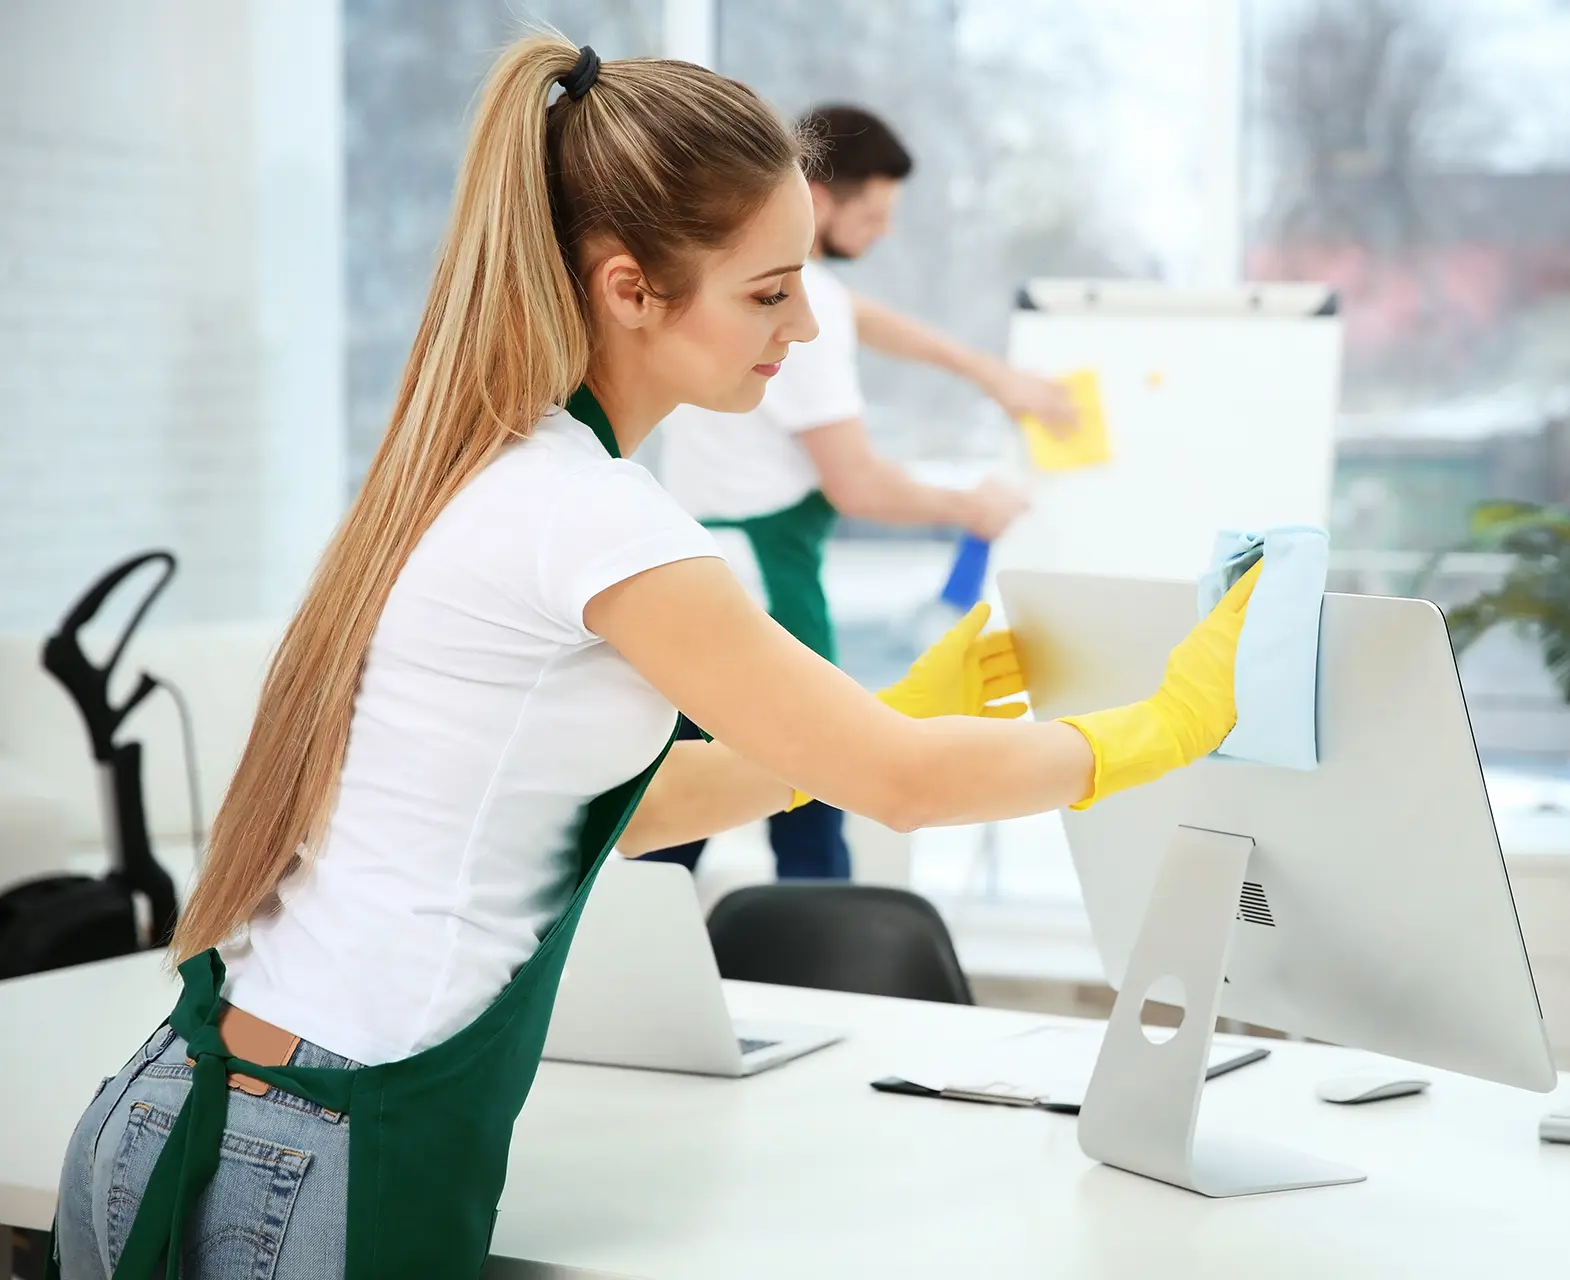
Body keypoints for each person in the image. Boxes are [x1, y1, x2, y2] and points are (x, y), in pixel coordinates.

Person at [49, 39, 1259, 1280]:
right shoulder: (597, 520)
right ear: (631, 289)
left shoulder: (472, 469)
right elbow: (911, 786)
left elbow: (630, 805)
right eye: (769, 291)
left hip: (186, 1100)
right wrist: (1166, 723)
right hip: (319, 1142)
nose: (800, 325)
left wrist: (877, 715)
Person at [647, 104, 1076, 881]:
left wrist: (991, 376)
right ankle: (819, 979)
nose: (882, 233)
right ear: (814, 194)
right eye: (872, 214)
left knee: (686, 799)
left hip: (704, 562)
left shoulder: (761, 289)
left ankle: (625, 958)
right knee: (808, 789)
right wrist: (968, 506)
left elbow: (872, 321)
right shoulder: (801, 315)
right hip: (763, 582)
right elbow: (856, 484)